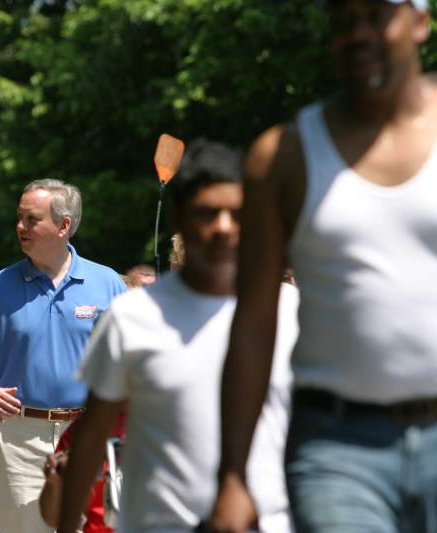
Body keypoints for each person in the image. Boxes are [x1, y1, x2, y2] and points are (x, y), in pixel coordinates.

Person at [210, 2, 437, 532]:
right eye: (343, 20)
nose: (358, 34)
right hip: (337, 449)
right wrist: (232, 477)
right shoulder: (283, 156)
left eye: (377, 16)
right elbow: (253, 325)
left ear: (421, 23)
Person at [56, 139, 299, 533]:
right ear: (179, 219)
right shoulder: (131, 318)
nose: (223, 227)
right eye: (207, 213)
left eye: (237, 214)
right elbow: (91, 436)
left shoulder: (289, 313)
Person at [0, 178, 127, 533]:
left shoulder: (108, 285)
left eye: (31, 219)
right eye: (19, 218)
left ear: (64, 226)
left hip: (89, 433)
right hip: (19, 438)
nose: (20, 227)